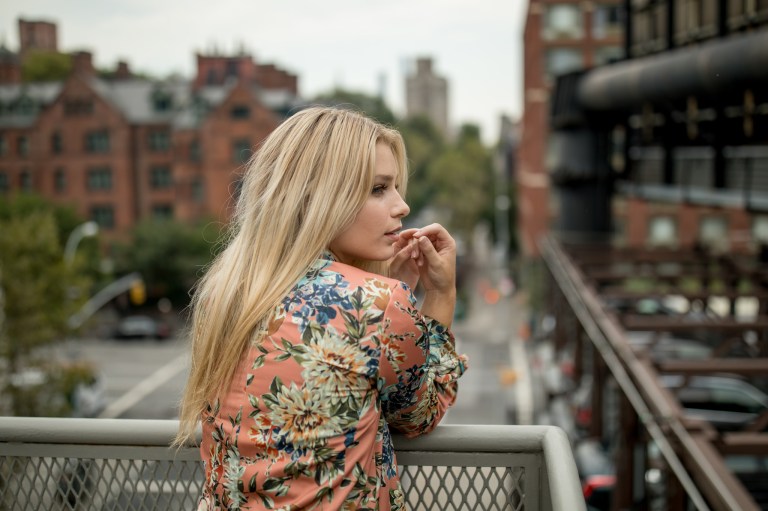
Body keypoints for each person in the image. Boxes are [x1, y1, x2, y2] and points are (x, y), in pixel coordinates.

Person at [175, 106, 468, 510]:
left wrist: (394, 286)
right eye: (379, 189)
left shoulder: (225, 291)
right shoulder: (376, 305)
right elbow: (418, 414)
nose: (402, 206)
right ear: (319, 198)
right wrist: (440, 295)